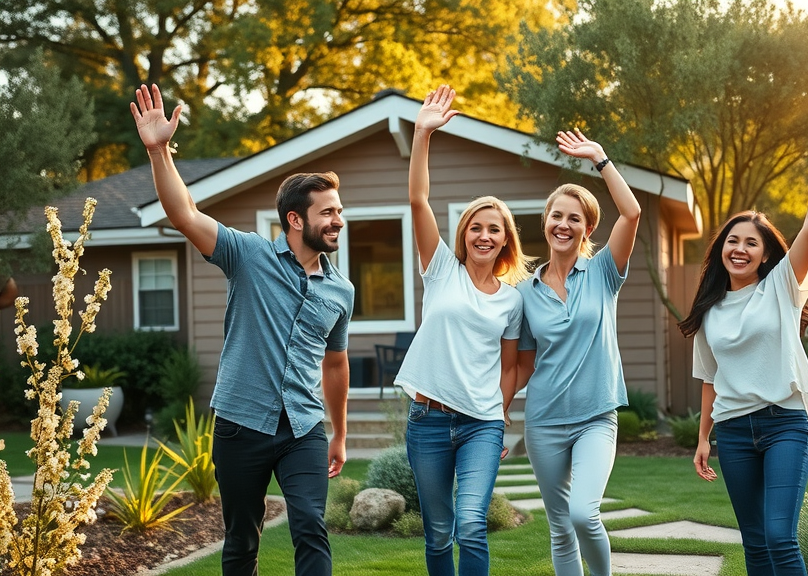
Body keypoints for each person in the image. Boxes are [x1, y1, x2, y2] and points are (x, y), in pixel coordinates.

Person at [130, 84, 353, 576]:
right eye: (328, 212)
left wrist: (339, 433)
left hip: (303, 427)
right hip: (240, 424)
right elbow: (184, 214)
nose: (339, 219)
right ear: (296, 219)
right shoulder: (248, 255)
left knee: (311, 526)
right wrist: (159, 151)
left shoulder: (342, 291)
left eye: (339, 210)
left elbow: (336, 364)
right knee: (240, 540)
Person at [678, 112, 808, 576]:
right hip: (733, 431)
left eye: (751, 243)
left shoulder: (781, 286)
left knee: (780, 536)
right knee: (756, 543)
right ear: (721, 249)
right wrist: (703, 437)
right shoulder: (709, 310)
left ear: (765, 255)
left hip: (784, 424)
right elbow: (710, 378)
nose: (740, 249)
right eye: (732, 241)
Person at [395, 85, 530, 576]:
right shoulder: (440, 270)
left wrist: (500, 411)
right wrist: (422, 134)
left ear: (505, 240)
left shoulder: (512, 300)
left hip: (481, 425)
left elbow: (512, 366)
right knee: (437, 531)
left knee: (471, 523)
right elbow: (418, 199)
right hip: (427, 420)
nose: (484, 235)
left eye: (494, 229)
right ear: (464, 234)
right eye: (476, 227)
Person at [514, 129, 642, 576]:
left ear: (587, 229)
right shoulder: (525, 291)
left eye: (574, 219)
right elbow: (523, 363)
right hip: (543, 420)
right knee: (559, 528)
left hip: (595, 416)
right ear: (545, 222)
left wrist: (600, 159)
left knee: (583, 514)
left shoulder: (604, 270)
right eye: (557, 216)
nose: (563, 225)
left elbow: (632, 212)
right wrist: (496, 406)